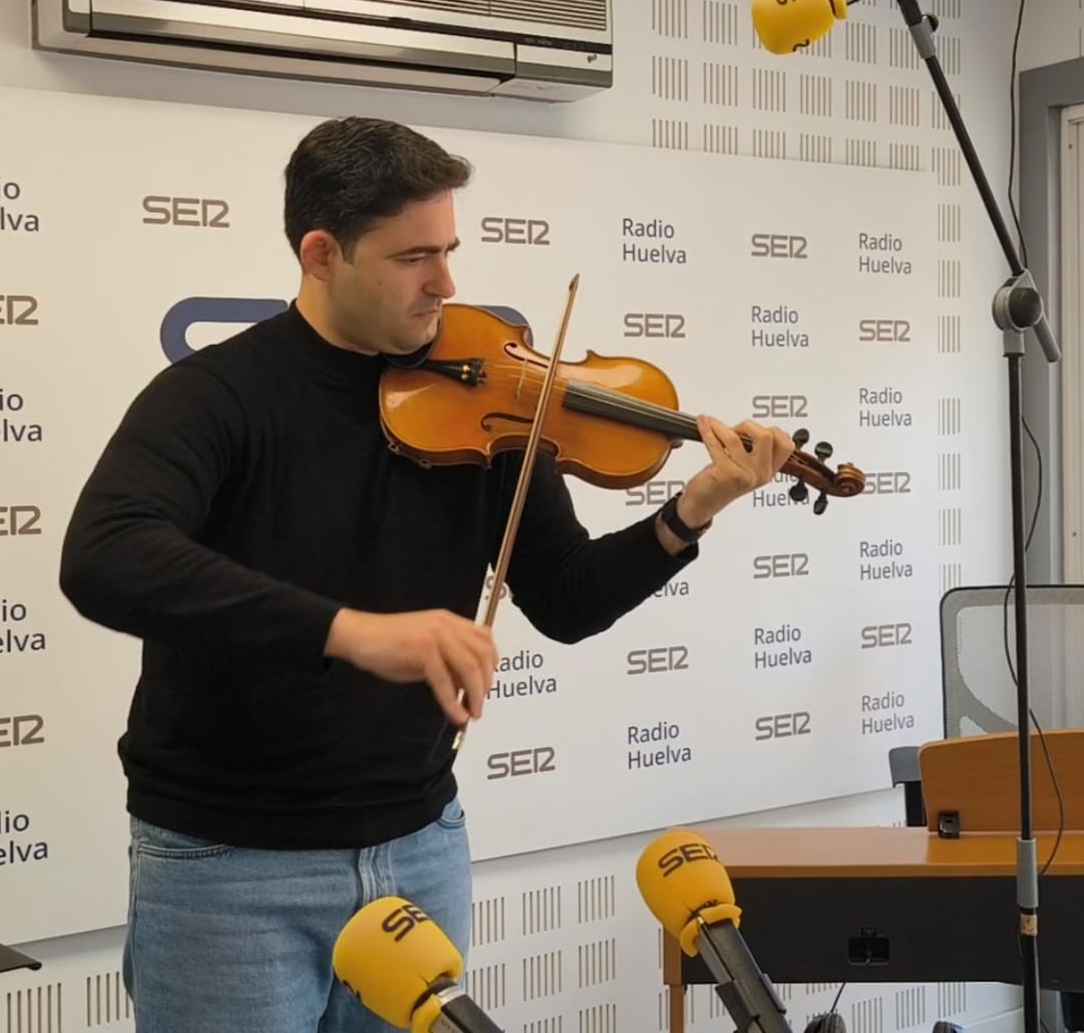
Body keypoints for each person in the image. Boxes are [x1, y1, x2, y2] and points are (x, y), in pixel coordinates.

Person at [57, 115, 791, 1033]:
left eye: (449, 249)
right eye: (413, 258)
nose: (447, 283)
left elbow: (566, 599)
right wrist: (352, 631)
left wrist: (695, 508)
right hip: (230, 864)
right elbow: (105, 556)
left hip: (419, 849)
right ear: (322, 253)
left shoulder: (481, 397)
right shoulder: (216, 398)